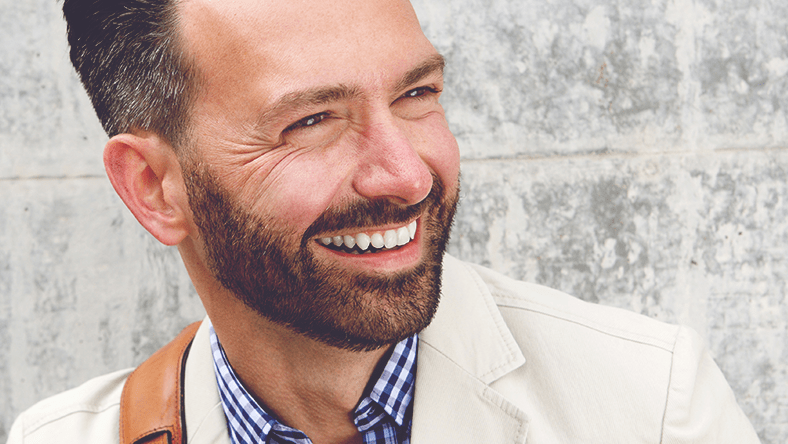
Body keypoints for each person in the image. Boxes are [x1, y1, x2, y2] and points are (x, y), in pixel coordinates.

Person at [8, 0, 760, 443]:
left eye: (417, 94)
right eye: (310, 120)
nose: (406, 174)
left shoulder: (652, 409)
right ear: (152, 187)